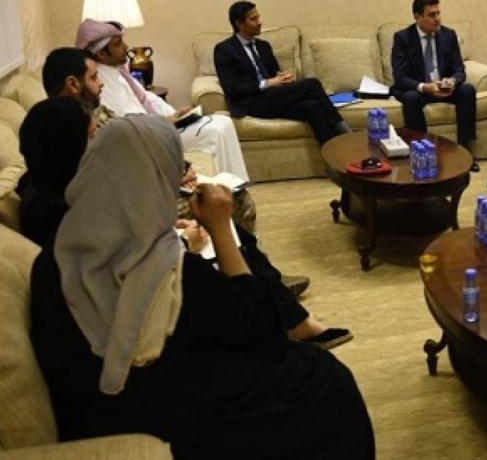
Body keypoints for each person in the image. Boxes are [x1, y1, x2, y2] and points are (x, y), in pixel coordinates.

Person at [28, 115, 374, 458]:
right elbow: (262, 331)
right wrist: (220, 227)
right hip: (161, 409)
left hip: (100, 400)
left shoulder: (63, 244)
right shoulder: (166, 270)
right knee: (324, 378)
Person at [76, 19, 249, 181]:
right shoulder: (101, 81)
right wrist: (166, 122)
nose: (126, 47)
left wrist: (176, 115)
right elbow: (125, 123)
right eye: (118, 44)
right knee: (216, 131)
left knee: (224, 122)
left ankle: (235, 184)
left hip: (159, 125)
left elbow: (146, 97)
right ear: (101, 53)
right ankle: (224, 186)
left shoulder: (117, 70)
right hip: (148, 138)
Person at [214, 1, 351, 145]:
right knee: (312, 84)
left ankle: (333, 154)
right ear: (239, 23)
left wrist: (283, 78)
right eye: (253, 19)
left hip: (272, 98)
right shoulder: (224, 50)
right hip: (250, 103)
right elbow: (232, 89)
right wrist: (267, 83)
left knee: (313, 106)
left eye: (258, 17)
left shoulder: (263, 46)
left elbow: (274, 74)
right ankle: (347, 133)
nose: (260, 22)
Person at [391, 0, 479, 171]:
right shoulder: (403, 38)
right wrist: (425, 87)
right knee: (410, 97)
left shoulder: (448, 35)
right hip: (421, 90)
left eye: (438, 13)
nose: (437, 19)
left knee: (467, 90)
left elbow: (459, 69)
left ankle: (465, 150)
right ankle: (422, 152)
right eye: (431, 15)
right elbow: (400, 76)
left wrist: (452, 81)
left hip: (444, 88)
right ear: (417, 17)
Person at [16, 97, 91, 248]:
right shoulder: (60, 216)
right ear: (72, 146)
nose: (96, 143)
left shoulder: (40, 176)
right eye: (90, 136)